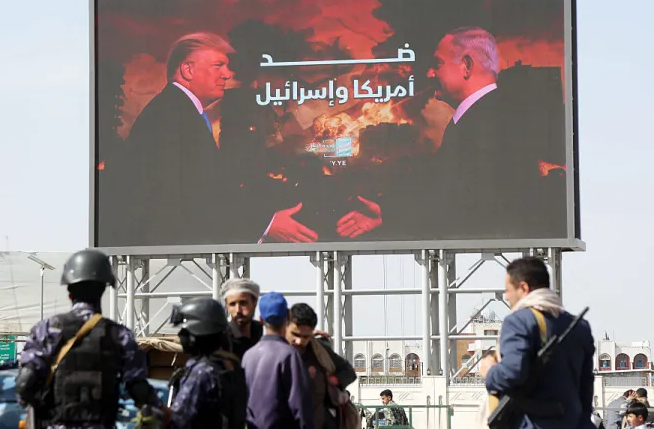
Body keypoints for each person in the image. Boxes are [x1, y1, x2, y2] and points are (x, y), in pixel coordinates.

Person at [336, 26, 554, 241]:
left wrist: (390, 214)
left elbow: (461, 204)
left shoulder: (488, 125)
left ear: (466, 66)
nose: (431, 73)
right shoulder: (486, 118)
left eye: (438, 64)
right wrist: (386, 214)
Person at [118, 31, 316, 247]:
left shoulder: (178, 110)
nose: (227, 74)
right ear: (188, 69)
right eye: (218, 65)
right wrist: (266, 224)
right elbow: (194, 196)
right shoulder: (171, 114)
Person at [14, 249, 168, 428]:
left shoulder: (47, 329)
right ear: (103, 289)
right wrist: (163, 411)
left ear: (69, 291)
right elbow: (138, 388)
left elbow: (25, 384)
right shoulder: (120, 336)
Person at [479, 256, 595, 429]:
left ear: (523, 288)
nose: (506, 296)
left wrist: (490, 372)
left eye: (508, 290)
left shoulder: (519, 321)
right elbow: (586, 388)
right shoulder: (580, 327)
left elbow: (512, 372)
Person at [168, 296, 247, 429]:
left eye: (186, 331)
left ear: (198, 332)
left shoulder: (202, 372)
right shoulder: (229, 363)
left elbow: (179, 421)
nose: (181, 335)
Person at [242, 291, 315, 429]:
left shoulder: (248, 356)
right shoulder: (289, 355)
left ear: (261, 320)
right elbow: (301, 407)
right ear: (287, 316)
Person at [286, 303, 356, 429]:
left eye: (305, 336)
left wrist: (332, 381)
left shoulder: (318, 350)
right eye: (295, 334)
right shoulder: (273, 351)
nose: (299, 341)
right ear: (285, 326)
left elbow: (348, 372)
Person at [220, 278, 264, 360]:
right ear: (227, 307)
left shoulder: (258, 330)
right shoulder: (224, 338)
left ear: (254, 303)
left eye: (243, 303)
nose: (238, 310)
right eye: (232, 304)